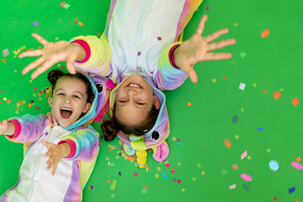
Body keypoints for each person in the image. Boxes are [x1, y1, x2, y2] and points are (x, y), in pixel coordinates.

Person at [19, 0, 236, 168]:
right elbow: (173, 64)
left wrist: (72, 51)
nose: (131, 93)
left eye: (123, 100)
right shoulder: (161, 76)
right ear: (155, 102)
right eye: (139, 103)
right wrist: (184, 56)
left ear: (114, 100)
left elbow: (96, 53)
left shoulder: (112, 67)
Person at [0, 69, 101, 202]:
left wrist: (62, 150)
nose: (67, 100)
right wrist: (6, 128)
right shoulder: (42, 125)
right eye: (61, 94)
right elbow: (26, 127)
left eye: (76, 97)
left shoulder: (86, 134)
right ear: (51, 100)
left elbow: (84, 145)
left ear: (86, 108)